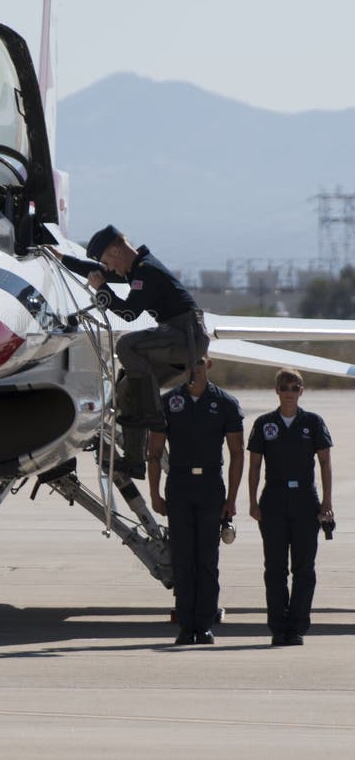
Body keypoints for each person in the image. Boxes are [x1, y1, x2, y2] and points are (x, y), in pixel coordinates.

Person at [51, 225, 209, 476]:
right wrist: (60, 258)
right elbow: (96, 271)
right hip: (175, 338)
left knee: (126, 345)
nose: (109, 268)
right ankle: (134, 461)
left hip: (185, 336)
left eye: (107, 261)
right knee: (127, 393)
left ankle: (155, 414)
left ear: (116, 250)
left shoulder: (146, 272)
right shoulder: (135, 269)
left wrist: (102, 290)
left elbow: (128, 313)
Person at [147, 359, 244, 645]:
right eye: (190, 364)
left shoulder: (225, 403)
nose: (195, 369)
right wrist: (155, 494)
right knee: (183, 559)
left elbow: (237, 452)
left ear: (209, 364)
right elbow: (154, 452)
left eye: (200, 363)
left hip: (211, 486)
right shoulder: (169, 402)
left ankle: (204, 625)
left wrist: (232, 498)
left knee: (207, 559)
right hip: (179, 485)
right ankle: (186, 626)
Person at [248, 368, 333, 647]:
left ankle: (296, 627)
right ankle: (278, 626)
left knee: (304, 568)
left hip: (305, 501)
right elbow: (255, 465)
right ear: (277, 390)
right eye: (284, 387)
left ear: (301, 391)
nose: (289, 393)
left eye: (294, 388)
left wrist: (327, 502)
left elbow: (324, 462)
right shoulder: (264, 424)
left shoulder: (313, 423)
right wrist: (252, 501)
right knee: (274, 569)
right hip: (273, 499)